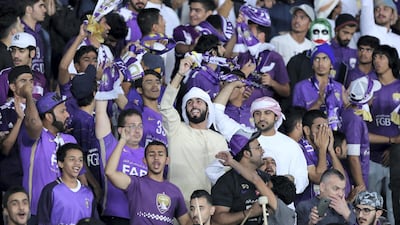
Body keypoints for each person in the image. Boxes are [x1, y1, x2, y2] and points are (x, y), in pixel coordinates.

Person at [212, 81, 309, 194]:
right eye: (257, 113)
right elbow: (216, 113)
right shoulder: (244, 136)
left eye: (267, 113)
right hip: (249, 204)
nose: (262, 117)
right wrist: (232, 85)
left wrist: (283, 184)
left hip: (282, 206)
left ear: (276, 117)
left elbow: (302, 180)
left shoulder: (291, 145)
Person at [18, 89, 78, 224]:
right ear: (49, 117)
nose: (67, 114)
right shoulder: (34, 137)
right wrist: (29, 95)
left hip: (63, 213)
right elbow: (34, 123)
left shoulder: (70, 140)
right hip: (36, 213)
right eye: (62, 111)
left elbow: (80, 176)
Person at [211, 132, 296, 225]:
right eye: (258, 147)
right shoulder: (226, 182)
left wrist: (232, 162)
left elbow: (256, 180)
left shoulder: (267, 178)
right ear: (247, 153)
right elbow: (216, 220)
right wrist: (248, 213)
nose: (262, 151)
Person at [105, 139, 191, 225]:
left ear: (167, 160)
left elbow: (186, 221)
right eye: (151, 154)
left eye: (160, 154)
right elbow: (110, 172)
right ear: (144, 160)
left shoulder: (175, 190)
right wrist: (123, 140)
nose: (156, 158)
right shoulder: (136, 184)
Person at [367, 44, 400, 225]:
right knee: (368, 208)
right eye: (375, 56)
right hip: (371, 157)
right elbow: (359, 128)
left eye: (382, 56)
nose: (376, 60)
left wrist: (394, 148)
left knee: (394, 208)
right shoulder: (366, 87)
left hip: (396, 159)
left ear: (391, 60)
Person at [37, 143, 96, 225]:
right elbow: (43, 221)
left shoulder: (88, 192)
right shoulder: (51, 190)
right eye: (72, 159)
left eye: (80, 160)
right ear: (60, 163)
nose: (77, 163)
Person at [293, 43, 347, 130]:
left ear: (331, 64)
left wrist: (351, 105)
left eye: (325, 59)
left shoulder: (339, 87)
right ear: (312, 65)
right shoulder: (301, 87)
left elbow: (345, 116)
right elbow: (297, 121)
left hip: (337, 136)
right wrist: (318, 102)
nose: (321, 63)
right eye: (316, 59)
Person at [340, 76, 382, 191]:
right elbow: (353, 157)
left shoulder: (350, 113)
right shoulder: (355, 120)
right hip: (354, 180)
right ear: (367, 96)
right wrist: (361, 187)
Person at [298, 109, 346, 202]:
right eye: (319, 127)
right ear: (307, 130)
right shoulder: (300, 148)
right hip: (306, 207)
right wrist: (322, 149)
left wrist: (331, 150)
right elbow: (319, 179)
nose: (324, 131)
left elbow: (341, 178)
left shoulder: (324, 147)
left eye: (326, 127)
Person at [0, 32, 47, 105]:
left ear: (32, 53)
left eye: (21, 51)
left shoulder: (40, 77)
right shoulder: (4, 76)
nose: (15, 55)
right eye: (13, 50)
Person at [19, 0, 51, 85]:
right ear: (29, 9)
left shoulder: (42, 32)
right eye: (41, 6)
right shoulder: (19, 32)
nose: (45, 10)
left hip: (42, 84)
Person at [330, 13, 358, 81]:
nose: (348, 37)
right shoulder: (325, 50)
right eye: (345, 32)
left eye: (352, 34)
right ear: (336, 30)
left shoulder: (355, 53)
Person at [0, 4, 24, 71]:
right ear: (13, 31)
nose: (23, 26)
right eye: (20, 24)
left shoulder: (8, 52)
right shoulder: (2, 55)